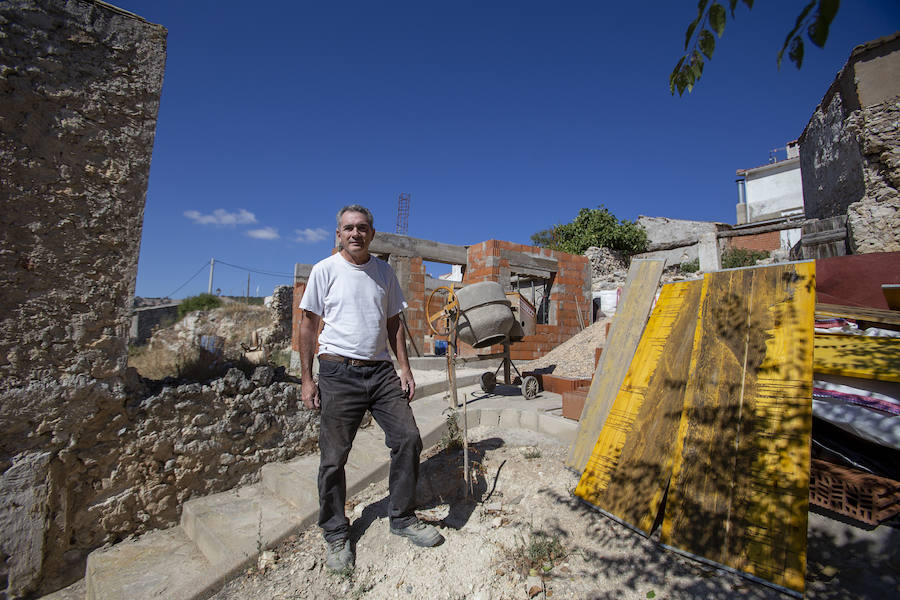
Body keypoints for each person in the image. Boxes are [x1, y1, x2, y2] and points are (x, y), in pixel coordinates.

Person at [299, 204, 444, 573]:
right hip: (337, 371)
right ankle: (334, 532)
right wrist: (307, 377)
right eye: (348, 228)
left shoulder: (384, 273)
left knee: (409, 438)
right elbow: (307, 325)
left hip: (380, 373)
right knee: (334, 458)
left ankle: (401, 516)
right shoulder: (324, 270)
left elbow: (394, 323)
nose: (355, 234)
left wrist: (405, 368)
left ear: (372, 234)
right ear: (338, 234)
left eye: (362, 228)